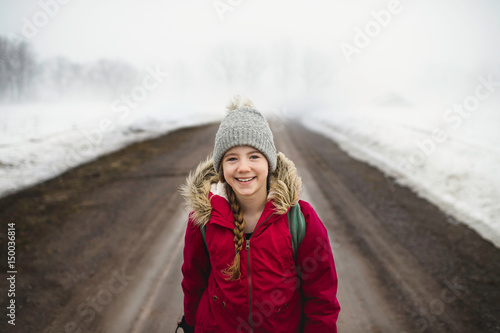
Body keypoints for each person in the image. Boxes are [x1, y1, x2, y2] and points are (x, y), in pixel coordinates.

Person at [178, 96, 340, 333]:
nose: (243, 167)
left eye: (254, 156)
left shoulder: (300, 220)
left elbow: (321, 296)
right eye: (232, 158)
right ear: (221, 168)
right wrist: (190, 327)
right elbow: (194, 283)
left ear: (270, 162)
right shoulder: (204, 220)